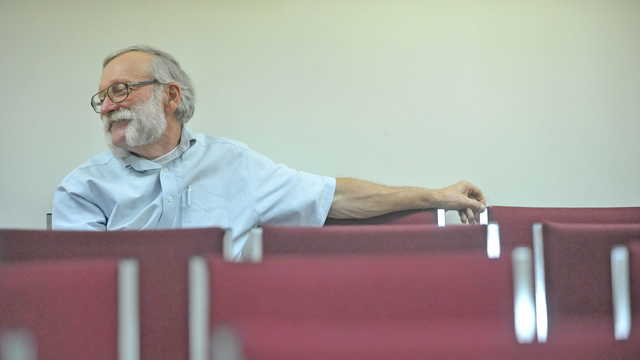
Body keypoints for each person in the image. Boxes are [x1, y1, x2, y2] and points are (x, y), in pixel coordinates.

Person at [53, 45, 487, 259]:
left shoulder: (234, 164)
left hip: (227, 326)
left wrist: (433, 196)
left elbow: (335, 197)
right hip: (129, 334)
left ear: (170, 95)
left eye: (121, 90)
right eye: (102, 97)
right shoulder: (82, 189)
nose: (107, 106)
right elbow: (81, 288)